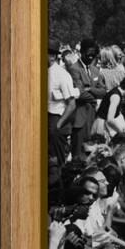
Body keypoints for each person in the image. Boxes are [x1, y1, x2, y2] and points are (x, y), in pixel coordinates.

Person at [66, 38, 106, 158]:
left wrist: (91, 89)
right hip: (79, 117)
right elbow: (80, 93)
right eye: (88, 55)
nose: (90, 58)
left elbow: (104, 91)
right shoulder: (74, 69)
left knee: (92, 153)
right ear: (82, 52)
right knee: (78, 154)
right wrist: (93, 97)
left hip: (93, 117)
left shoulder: (95, 70)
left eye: (93, 55)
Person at [48, 40, 76, 168]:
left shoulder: (62, 75)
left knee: (56, 163)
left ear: (53, 56)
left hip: (55, 119)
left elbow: (71, 104)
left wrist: (57, 126)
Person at [92, 74, 125, 139]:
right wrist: (121, 131)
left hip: (103, 123)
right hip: (102, 126)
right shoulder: (116, 97)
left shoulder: (116, 91)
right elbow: (110, 119)